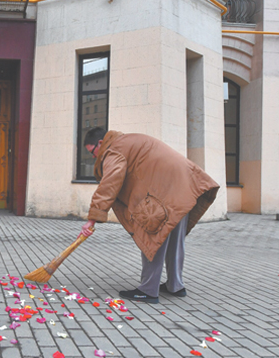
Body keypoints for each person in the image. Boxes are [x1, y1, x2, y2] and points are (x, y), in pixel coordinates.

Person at [80, 128, 219, 303]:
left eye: (92, 152)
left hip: (165, 191)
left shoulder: (114, 149)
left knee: (152, 236)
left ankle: (148, 290)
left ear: (101, 143)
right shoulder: (130, 140)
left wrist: (92, 218)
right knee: (174, 238)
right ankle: (175, 285)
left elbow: (110, 183)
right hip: (185, 185)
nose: (94, 157)